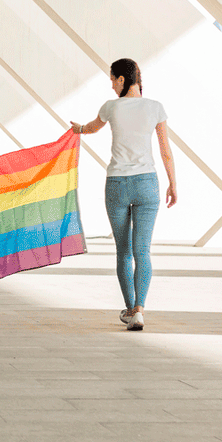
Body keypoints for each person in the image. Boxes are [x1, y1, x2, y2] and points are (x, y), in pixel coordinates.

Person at [70, 58, 176, 331]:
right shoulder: (155, 108)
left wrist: (77, 129)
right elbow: (165, 150)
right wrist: (173, 183)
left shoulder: (110, 107)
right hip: (147, 184)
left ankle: (130, 310)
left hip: (117, 183)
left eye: (112, 79)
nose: (111, 85)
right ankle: (139, 310)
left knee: (124, 252)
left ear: (121, 79)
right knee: (142, 250)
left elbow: (92, 127)